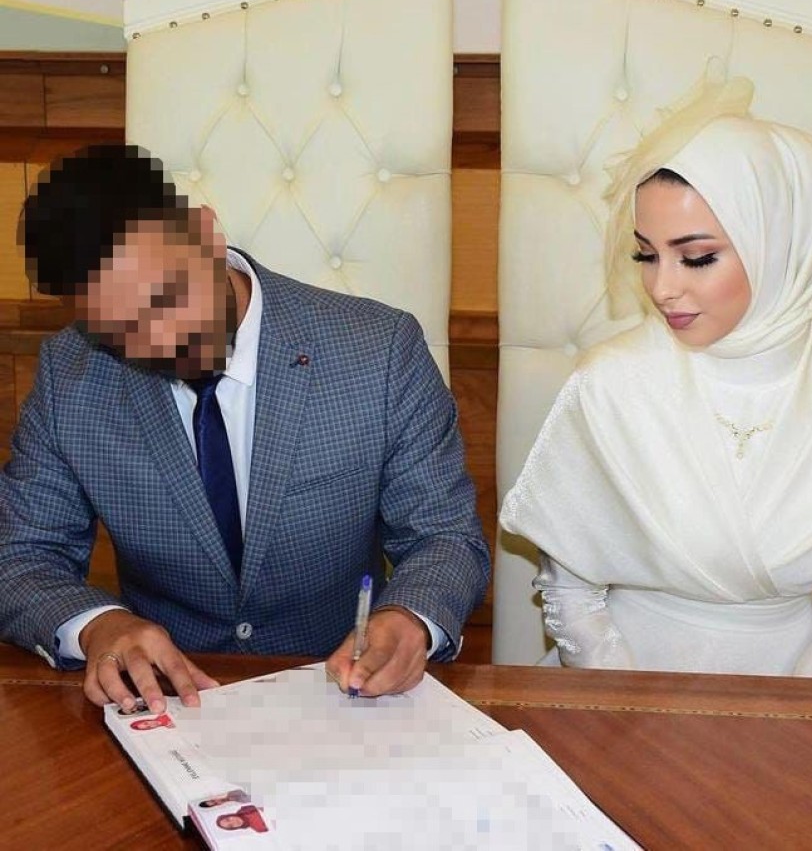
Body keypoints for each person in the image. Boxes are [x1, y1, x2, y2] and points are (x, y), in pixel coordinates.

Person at [0, 144, 489, 711]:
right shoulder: (70, 377)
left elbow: (444, 537)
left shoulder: (378, 352)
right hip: (166, 705)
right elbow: (20, 557)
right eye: (119, 331)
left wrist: (410, 617)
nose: (158, 341)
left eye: (167, 297)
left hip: (341, 696)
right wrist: (96, 625)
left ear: (206, 234)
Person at [500, 80, 812, 678]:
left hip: (800, 688)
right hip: (620, 683)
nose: (662, 287)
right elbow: (571, 592)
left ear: (780, 247)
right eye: (646, 255)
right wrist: (631, 707)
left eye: (697, 257)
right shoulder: (612, 383)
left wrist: (793, 712)